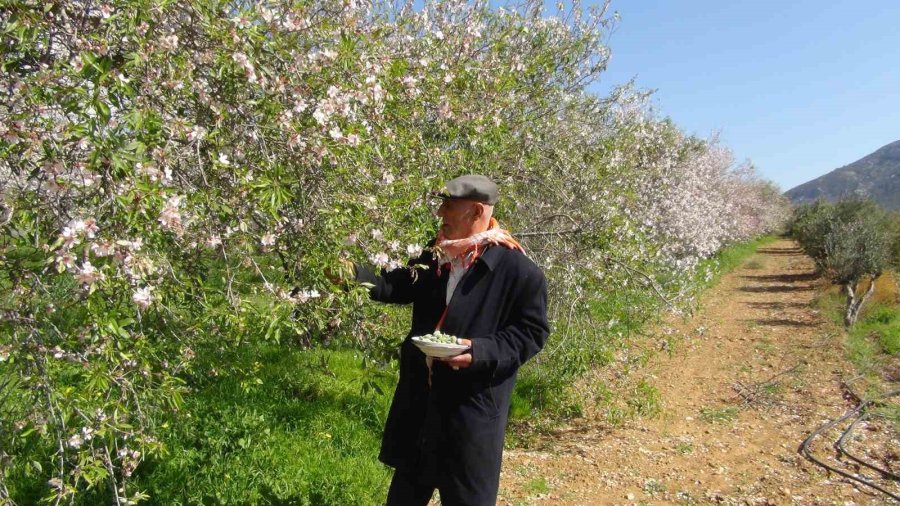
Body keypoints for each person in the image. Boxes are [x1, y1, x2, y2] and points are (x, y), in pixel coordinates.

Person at [344, 174, 549, 505]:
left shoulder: (516, 269)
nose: (440, 213)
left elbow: (531, 333)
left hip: (471, 418)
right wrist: (351, 275)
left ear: (477, 211)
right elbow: (397, 285)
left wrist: (478, 351)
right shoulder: (437, 255)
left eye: (449, 206)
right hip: (422, 411)